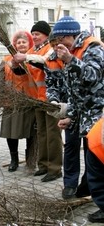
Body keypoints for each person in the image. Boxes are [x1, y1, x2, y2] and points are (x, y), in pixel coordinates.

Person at [51, 16, 104, 222]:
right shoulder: (72, 52)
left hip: (99, 116)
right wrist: (71, 117)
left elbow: (92, 76)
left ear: (69, 36)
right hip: (85, 116)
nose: (57, 45)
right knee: (95, 165)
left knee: (97, 164)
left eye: (59, 39)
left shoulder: (93, 49)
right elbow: (76, 94)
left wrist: (70, 61)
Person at [12, 21, 63, 182]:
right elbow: (25, 71)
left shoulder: (50, 49)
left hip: (52, 98)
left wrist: (25, 57)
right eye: (33, 34)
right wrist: (15, 66)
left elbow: (43, 62)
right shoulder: (33, 50)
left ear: (46, 35)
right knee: (41, 133)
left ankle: (55, 169)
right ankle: (43, 165)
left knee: (52, 133)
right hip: (37, 98)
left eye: (37, 34)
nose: (34, 37)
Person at [46, 33, 90, 199]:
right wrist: (54, 101)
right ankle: (70, 184)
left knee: (90, 148)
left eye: (60, 42)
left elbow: (86, 87)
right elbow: (51, 84)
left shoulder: (82, 55)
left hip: (84, 109)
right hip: (66, 108)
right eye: (54, 44)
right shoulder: (51, 60)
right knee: (71, 145)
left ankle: (88, 184)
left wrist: (72, 113)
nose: (57, 47)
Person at [0, 30, 37, 172]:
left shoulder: (32, 58)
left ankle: (31, 160)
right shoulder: (6, 59)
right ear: (14, 45)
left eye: (24, 42)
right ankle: (13, 159)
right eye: (18, 42)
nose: (21, 44)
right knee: (11, 132)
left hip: (29, 100)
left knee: (31, 133)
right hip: (11, 101)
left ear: (29, 44)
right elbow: (0, 79)